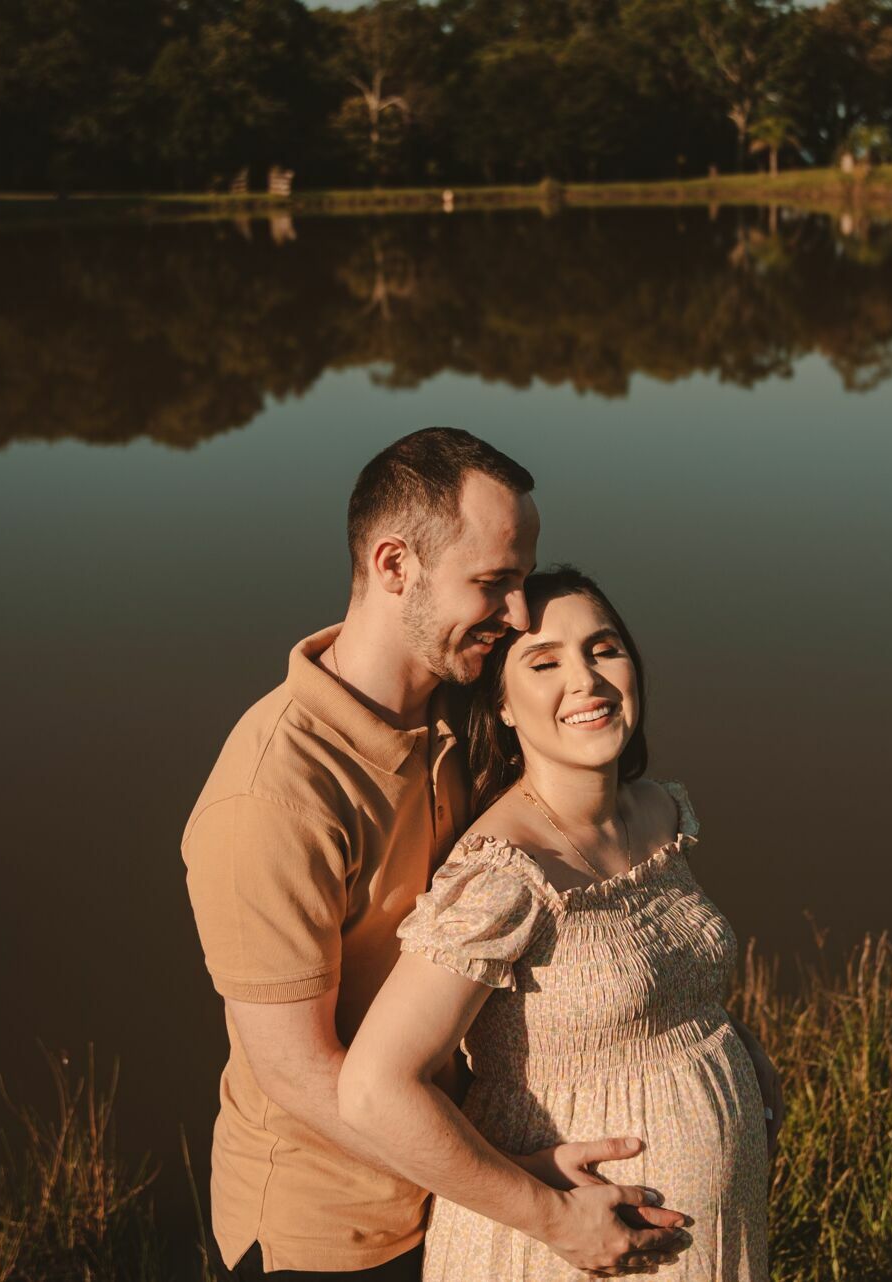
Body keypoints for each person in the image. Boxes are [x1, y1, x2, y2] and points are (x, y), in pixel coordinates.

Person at [181, 431, 688, 1280]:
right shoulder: (272, 796)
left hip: (464, 1185)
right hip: (333, 1235)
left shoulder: (461, 707)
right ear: (394, 565)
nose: (518, 614)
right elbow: (300, 1073)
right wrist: (535, 1205)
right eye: (493, 583)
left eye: (523, 581)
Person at [338, 568, 785, 1281]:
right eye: (544, 663)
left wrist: (730, 1046)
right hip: (565, 1253)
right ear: (503, 706)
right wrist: (551, 1216)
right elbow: (374, 1090)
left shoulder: (659, 813)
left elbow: (655, 985)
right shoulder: (504, 874)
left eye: (603, 650)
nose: (586, 681)